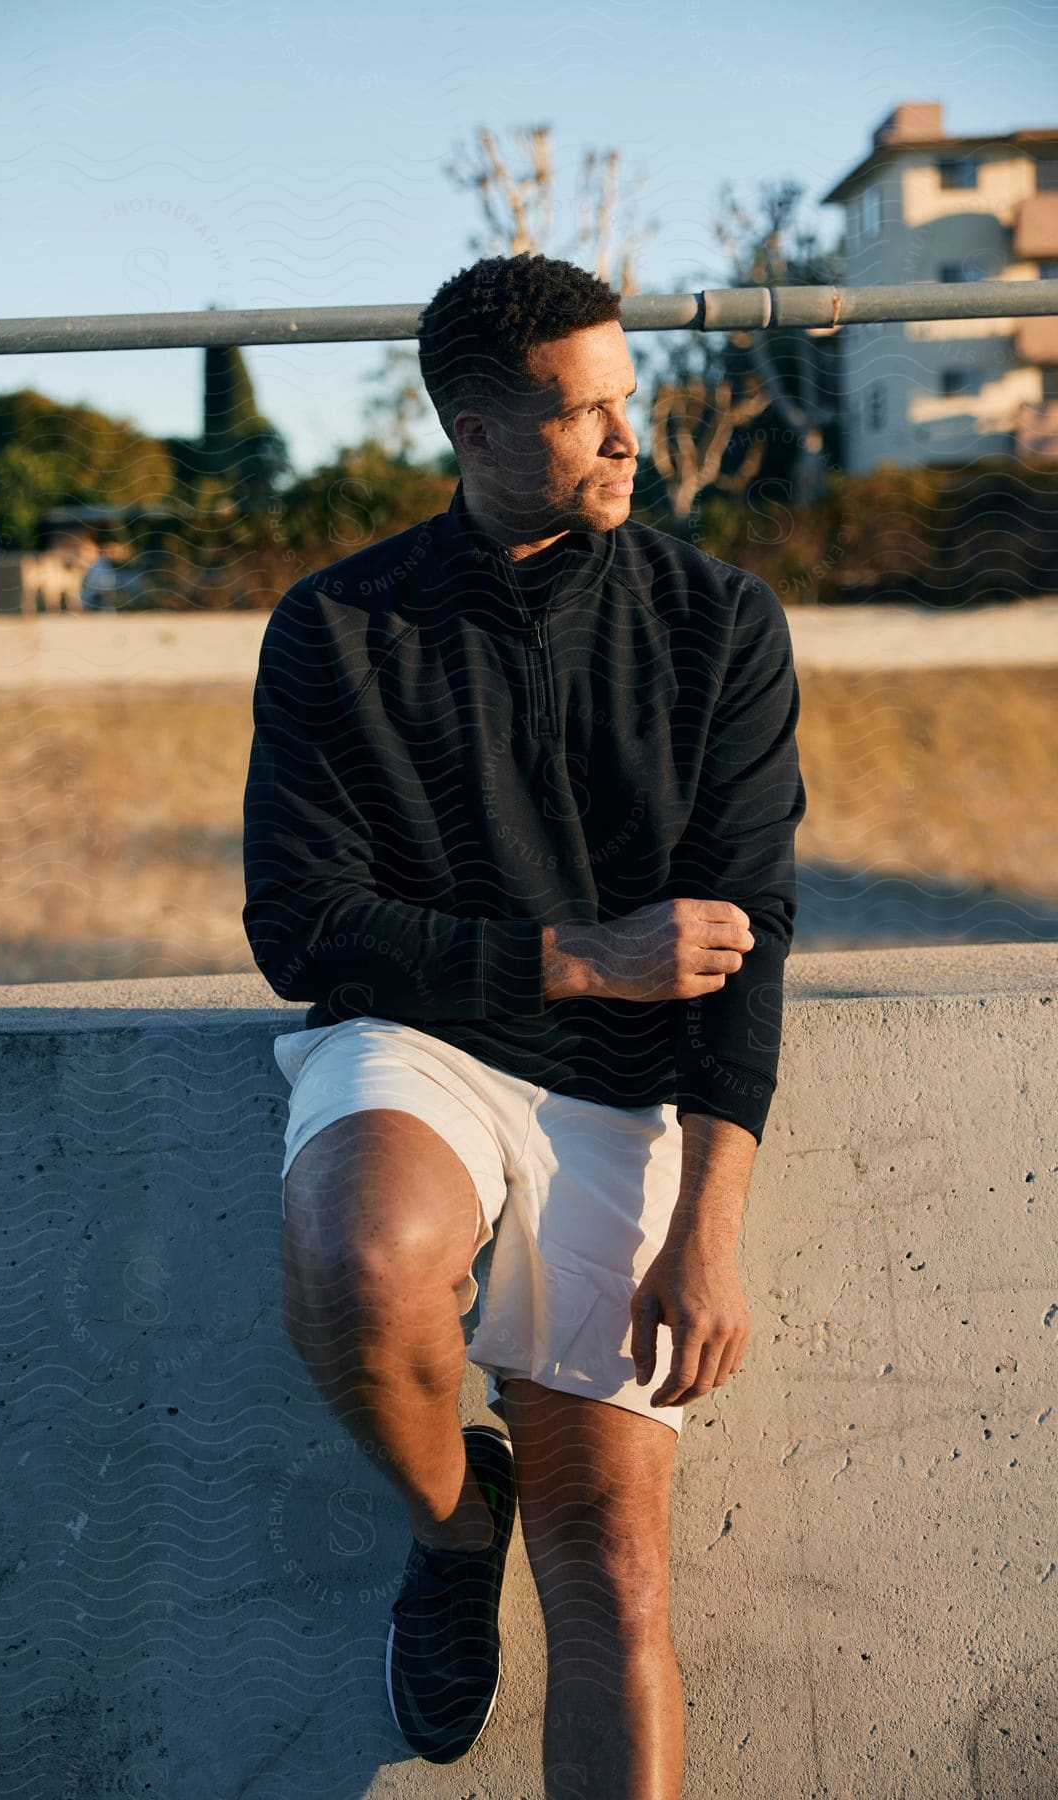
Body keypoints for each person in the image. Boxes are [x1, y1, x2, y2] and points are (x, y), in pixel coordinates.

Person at [242, 252, 806, 1791]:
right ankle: (447, 1524)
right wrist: (574, 955)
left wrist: (712, 1225)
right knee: (363, 1261)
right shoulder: (337, 628)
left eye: (629, 400)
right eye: (585, 414)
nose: (631, 439)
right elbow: (302, 928)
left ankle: (506, 1516)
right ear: (474, 434)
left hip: (630, 1102)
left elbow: (748, 942)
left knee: (613, 1578)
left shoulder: (721, 624)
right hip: (419, 1046)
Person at [78, 536, 127, 611]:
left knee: (107, 604)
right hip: (94, 588)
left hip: (105, 588)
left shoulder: (104, 561)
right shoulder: (95, 563)